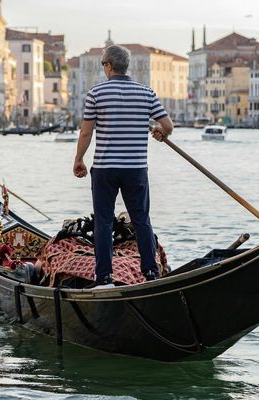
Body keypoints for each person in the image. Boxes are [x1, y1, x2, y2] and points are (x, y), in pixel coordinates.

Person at [73, 45, 173, 288]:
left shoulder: (96, 94)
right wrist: (160, 133)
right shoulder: (146, 93)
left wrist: (78, 160)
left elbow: (86, 132)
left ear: (108, 66)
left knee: (104, 222)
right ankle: (150, 272)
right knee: (141, 220)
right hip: (135, 169)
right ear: (126, 66)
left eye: (103, 65)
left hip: (105, 168)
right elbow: (167, 125)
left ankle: (104, 276)